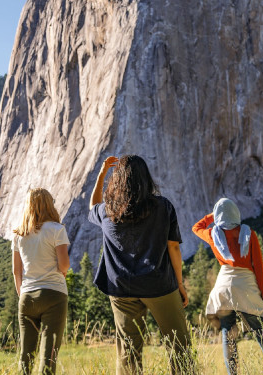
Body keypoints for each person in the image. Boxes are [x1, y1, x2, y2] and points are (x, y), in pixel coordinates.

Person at [88, 155, 194, 375]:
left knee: (128, 353)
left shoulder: (108, 211)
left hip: (121, 288)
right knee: (179, 345)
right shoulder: (163, 207)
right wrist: (180, 284)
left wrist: (101, 175)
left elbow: (93, 206)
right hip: (159, 285)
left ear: (117, 181)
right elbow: (173, 247)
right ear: (146, 179)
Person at [193, 198, 263, 374]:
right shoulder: (249, 234)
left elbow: (196, 228)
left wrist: (214, 215)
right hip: (246, 286)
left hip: (223, 286)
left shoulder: (213, 233)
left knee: (228, 335)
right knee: (261, 332)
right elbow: (258, 267)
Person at [12, 188, 70, 374]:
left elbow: (16, 271)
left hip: (27, 296)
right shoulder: (57, 230)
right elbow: (64, 265)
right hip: (54, 294)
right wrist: (64, 271)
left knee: (25, 356)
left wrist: (23, 295)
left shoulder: (19, 234)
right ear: (49, 205)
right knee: (48, 356)